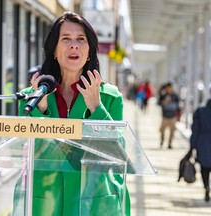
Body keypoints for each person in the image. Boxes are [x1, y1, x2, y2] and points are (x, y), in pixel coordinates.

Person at [12, 12, 130, 215]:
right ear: (55, 51)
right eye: (66, 39)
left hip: (94, 201)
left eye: (81, 40)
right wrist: (42, 111)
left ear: (90, 52)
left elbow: (116, 154)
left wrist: (96, 108)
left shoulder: (110, 97)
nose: (74, 45)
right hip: (46, 199)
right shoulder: (32, 97)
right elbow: (29, 150)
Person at [190, 98, 211, 202]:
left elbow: (195, 129)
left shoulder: (201, 111)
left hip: (203, 144)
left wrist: (192, 145)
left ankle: (206, 185)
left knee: (204, 169)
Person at [158, 82, 180, 149]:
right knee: (162, 130)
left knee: (172, 131)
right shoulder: (163, 95)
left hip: (172, 117)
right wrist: (163, 102)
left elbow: (178, 106)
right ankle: (162, 141)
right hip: (165, 116)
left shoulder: (175, 96)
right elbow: (159, 103)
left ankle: (170, 143)